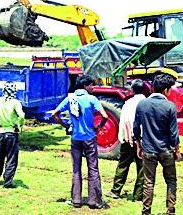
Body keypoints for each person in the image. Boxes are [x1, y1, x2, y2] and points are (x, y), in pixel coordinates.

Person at [51, 74, 109, 209]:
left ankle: (76, 200)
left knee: (76, 169)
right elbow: (105, 116)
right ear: (85, 86)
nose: (93, 87)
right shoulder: (91, 99)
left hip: (75, 138)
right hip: (89, 138)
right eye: (91, 85)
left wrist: (66, 126)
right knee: (93, 168)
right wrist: (98, 127)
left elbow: (55, 114)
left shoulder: (70, 98)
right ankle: (94, 201)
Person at [133, 74, 181, 215]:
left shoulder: (142, 104)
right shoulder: (170, 106)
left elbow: (136, 128)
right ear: (166, 90)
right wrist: (177, 150)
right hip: (166, 150)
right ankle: (170, 211)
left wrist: (138, 145)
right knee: (171, 181)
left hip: (148, 150)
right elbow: (173, 133)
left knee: (148, 182)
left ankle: (146, 211)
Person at [105, 79, 145, 201]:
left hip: (129, 138)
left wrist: (122, 137)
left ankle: (116, 190)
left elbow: (123, 122)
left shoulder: (128, 103)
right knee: (142, 167)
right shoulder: (147, 102)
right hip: (143, 139)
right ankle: (139, 195)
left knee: (123, 164)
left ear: (132, 90)